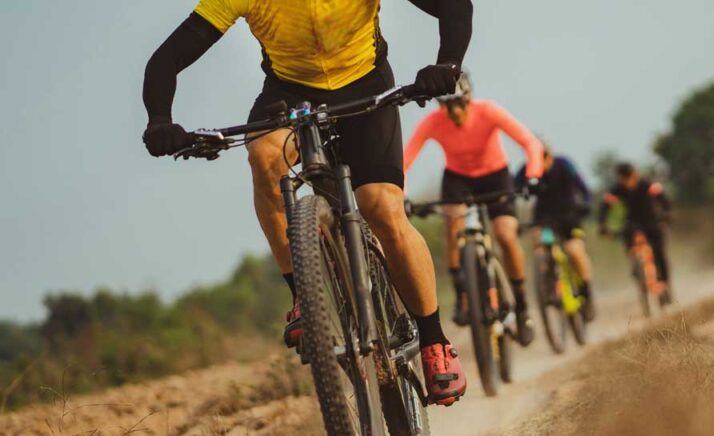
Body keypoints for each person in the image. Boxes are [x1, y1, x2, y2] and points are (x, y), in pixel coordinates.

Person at [140, 0, 473, 407]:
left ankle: (434, 341)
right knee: (264, 159)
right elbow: (167, 58)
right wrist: (159, 119)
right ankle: (303, 296)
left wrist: (449, 64)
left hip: (365, 83)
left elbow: (455, 7)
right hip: (289, 93)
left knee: (382, 208)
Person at [404, 72, 543, 346]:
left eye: (459, 104)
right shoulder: (432, 122)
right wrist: (404, 195)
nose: (454, 112)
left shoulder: (489, 111)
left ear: (469, 99)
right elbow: (404, 160)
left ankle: (522, 304)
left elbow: (531, 143)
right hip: (458, 179)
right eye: (447, 106)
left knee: (505, 234)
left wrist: (533, 175)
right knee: (453, 224)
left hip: (495, 175)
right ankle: (462, 295)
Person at [515, 145, 597, 321]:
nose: (540, 162)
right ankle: (548, 281)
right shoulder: (526, 170)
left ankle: (586, 291)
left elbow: (581, 186)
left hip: (569, 216)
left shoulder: (564, 164)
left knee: (574, 251)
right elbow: (513, 190)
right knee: (539, 245)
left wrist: (587, 203)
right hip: (543, 218)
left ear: (549, 154)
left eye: (542, 156)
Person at [598, 162, 673, 302]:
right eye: (623, 178)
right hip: (631, 223)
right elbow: (605, 206)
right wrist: (602, 225)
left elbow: (662, 198)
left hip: (651, 221)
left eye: (629, 176)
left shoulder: (647, 184)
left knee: (659, 253)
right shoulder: (617, 189)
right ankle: (635, 265)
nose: (627, 181)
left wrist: (667, 214)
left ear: (635, 174)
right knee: (627, 237)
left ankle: (665, 285)